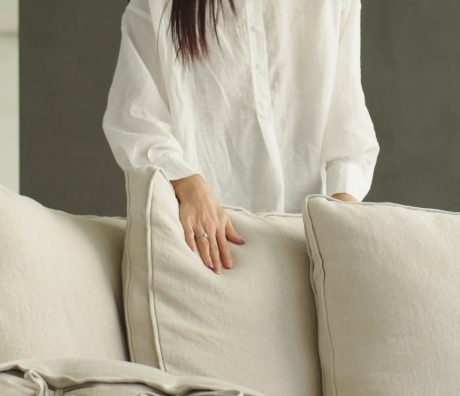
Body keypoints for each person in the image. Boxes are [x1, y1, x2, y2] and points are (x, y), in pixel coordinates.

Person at [104, 0, 379, 272]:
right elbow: (136, 119)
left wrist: (339, 231)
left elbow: (348, 127)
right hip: (203, 250)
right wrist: (188, 184)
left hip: (304, 250)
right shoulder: (157, 5)